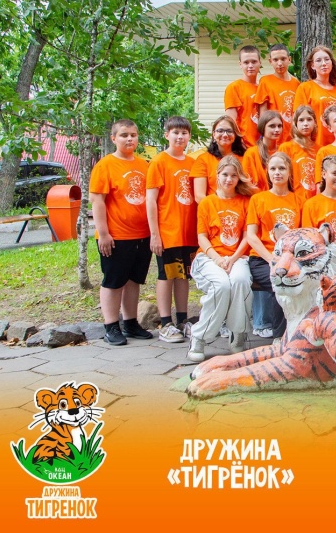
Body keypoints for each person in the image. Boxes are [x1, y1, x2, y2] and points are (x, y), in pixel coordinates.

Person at [186, 155, 257, 363]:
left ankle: (238, 334)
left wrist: (232, 259)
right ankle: (200, 337)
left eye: (234, 175)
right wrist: (218, 259)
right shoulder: (207, 202)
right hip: (209, 257)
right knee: (221, 286)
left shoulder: (246, 202)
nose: (229, 179)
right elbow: (202, 237)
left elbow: (247, 236)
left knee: (240, 281)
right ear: (217, 175)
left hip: (238, 257)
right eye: (225, 174)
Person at [90, 119, 154, 346]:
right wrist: (103, 233)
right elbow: (97, 201)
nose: (129, 139)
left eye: (133, 135)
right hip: (116, 236)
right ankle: (111, 326)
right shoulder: (105, 165)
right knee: (114, 281)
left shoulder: (144, 165)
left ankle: (131, 322)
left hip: (142, 235)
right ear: (114, 138)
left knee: (134, 280)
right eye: (124, 135)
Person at [146, 116, 198, 344]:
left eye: (184, 133)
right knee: (166, 275)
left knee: (183, 275)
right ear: (166, 134)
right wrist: (155, 234)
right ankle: (166, 323)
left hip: (188, 232)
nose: (180, 137)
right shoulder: (159, 162)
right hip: (168, 231)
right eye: (175, 132)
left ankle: (182, 320)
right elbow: (151, 200)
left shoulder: (193, 163)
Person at [246, 152, 301, 339]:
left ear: (289, 172)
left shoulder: (298, 200)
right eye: (273, 169)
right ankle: (280, 337)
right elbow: (251, 236)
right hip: (262, 259)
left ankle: (298, 333)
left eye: (282, 168)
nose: (277, 172)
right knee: (279, 282)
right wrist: (272, 260)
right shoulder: (258, 199)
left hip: (291, 259)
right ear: (267, 173)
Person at [191, 115, 246, 204]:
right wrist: (219, 210)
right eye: (220, 131)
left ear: (235, 134)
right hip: (213, 209)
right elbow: (199, 196)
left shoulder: (245, 158)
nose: (225, 135)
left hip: (240, 209)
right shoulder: (203, 159)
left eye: (229, 131)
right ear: (214, 134)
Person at [294, 45, 336, 147]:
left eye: (327, 59)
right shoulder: (305, 88)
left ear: (332, 63)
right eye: (318, 60)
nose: (324, 63)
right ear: (312, 65)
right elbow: (299, 120)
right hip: (315, 144)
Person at [255, 43, 299, 142]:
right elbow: (263, 114)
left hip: (292, 138)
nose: (279, 63)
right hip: (274, 138)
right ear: (270, 61)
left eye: (283, 59)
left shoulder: (296, 83)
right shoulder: (265, 81)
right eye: (275, 60)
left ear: (289, 59)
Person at [279, 104, 319, 203]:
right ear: (295, 124)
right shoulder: (286, 148)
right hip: (293, 200)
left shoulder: (320, 150)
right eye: (301, 120)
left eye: (309, 119)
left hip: (315, 201)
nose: (305, 123)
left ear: (315, 122)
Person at [224, 45, 262, 147]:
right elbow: (230, 120)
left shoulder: (263, 88)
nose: (250, 65)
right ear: (240, 64)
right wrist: (239, 143)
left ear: (260, 63)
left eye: (254, 62)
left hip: (262, 145)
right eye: (246, 62)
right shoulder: (234, 87)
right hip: (243, 145)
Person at [242, 110, 284, 191]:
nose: (277, 129)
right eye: (272, 126)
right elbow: (246, 184)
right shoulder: (251, 153)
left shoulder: (283, 150)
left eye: (279, 126)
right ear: (262, 127)